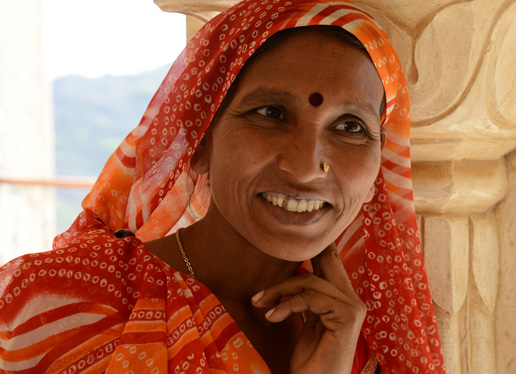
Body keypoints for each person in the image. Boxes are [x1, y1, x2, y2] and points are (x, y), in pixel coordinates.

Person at [0, 0, 446, 373]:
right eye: (270, 114)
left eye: (350, 126)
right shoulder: (50, 304)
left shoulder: (369, 343)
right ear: (199, 142)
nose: (307, 167)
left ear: (377, 170)